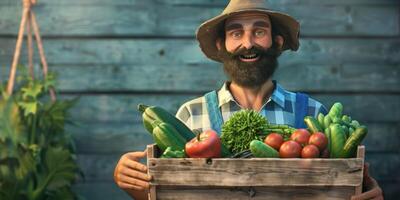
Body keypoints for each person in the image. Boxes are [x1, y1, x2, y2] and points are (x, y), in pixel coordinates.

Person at [113, 1, 383, 199]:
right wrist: (135, 185)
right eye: (235, 33)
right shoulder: (190, 115)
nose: (248, 43)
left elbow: (339, 187)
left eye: (259, 31)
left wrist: (368, 190)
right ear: (221, 45)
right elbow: (171, 191)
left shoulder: (312, 113)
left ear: (276, 42)